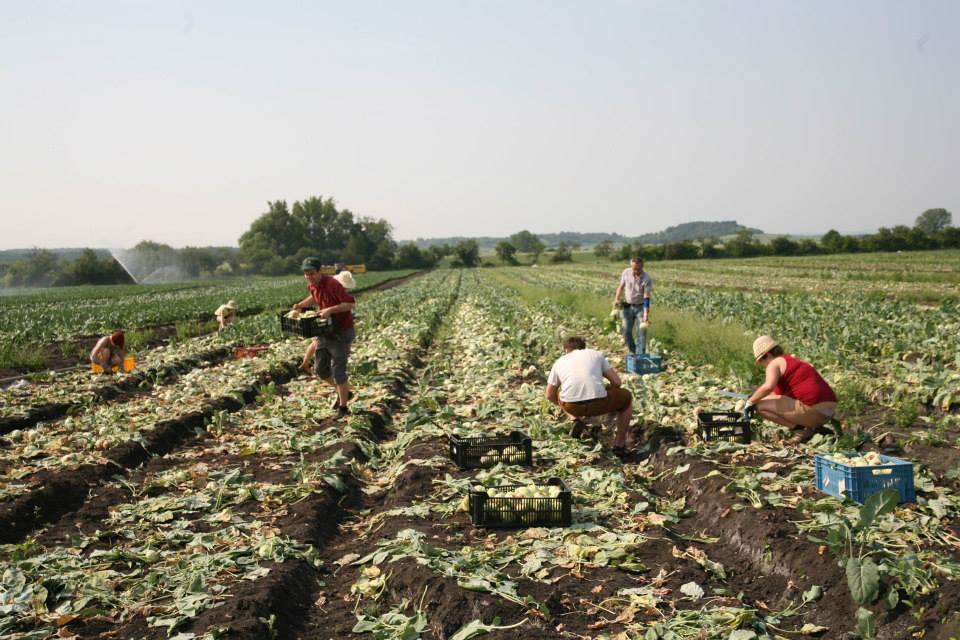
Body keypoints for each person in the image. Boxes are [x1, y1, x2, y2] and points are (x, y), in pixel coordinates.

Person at [544, 336, 633, 455]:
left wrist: (562, 404)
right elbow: (617, 382)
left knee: (561, 395)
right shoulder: (595, 354)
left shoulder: (559, 362)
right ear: (583, 348)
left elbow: (549, 395)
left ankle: (574, 419)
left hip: (572, 406)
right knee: (626, 398)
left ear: (565, 350)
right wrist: (609, 391)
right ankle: (619, 444)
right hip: (599, 403)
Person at [292, 257, 356, 417]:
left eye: (312, 273)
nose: (309, 277)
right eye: (306, 274)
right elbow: (314, 297)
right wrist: (301, 305)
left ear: (320, 271)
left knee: (338, 370)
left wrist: (330, 310)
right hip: (325, 330)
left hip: (341, 331)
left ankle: (343, 408)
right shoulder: (312, 285)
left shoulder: (333, 284)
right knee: (321, 370)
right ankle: (345, 392)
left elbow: (349, 304)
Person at [743, 335, 838, 439]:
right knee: (762, 401)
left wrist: (751, 401)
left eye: (761, 361)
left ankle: (800, 429)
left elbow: (768, 386)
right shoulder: (792, 361)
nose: (762, 365)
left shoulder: (774, 363)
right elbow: (776, 396)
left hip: (813, 411)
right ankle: (813, 428)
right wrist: (757, 396)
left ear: (768, 354)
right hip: (829, 412)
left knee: (759, 407)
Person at [298, 270, 357, 372]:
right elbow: (314, 297)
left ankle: (306, 363)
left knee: (317, 341)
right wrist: (301, 305)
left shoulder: (335, 289)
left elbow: (347, 305)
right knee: (319, 342)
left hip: (331, 320)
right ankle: (307, 363)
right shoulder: (332, 287)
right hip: (328, 320)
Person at [613, 257, 653, 354]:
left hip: (640, 307)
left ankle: (641, 355)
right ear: (631, 266)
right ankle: (633, 352)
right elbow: (621, 286)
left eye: (638, 269)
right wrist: (617, 298)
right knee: (626, 331)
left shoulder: (647, 278)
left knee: (642, 333)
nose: (636, 271)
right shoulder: (626, 272)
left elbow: (646, 296)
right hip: (627, 307)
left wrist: (645, 315)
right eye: (634, 268)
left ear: (642, 266)